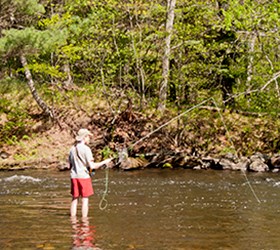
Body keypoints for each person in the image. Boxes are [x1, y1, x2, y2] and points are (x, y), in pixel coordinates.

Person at [69, 128, 112, 217]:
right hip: (84, 177)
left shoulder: (72, 149)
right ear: (84, 137)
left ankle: (73, 220)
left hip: (74, 176)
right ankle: (84, 221)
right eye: (88, 137)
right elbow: (92, 166)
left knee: (74, 199)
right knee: (85, 199)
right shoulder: (86, 149)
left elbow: (70, 164)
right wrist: (105, 162)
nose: (89, 139)